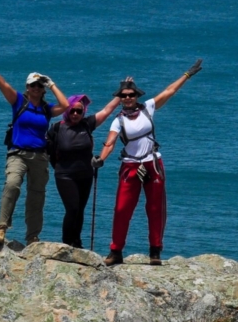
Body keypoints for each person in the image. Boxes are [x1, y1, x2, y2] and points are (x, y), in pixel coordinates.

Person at [98, 60, 202, 266]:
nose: (128, 98)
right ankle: (116, 251)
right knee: (122, 209)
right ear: (119, 99)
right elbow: (110, 142)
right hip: (130, 167)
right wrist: (100, 159)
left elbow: (169, 90)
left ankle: (155, 251)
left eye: (131, 95)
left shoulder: (148, 108)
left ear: (137, 96)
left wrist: (187, 75)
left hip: (152, 165)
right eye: (124, 96)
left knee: (155, 209)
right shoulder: (118, 120)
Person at [0, 60, 70, 249]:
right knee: (12, 184)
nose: (36, 88)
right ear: (27, 87)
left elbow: (65, 105)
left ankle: (32, 237)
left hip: (39, 157)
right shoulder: (18, 101)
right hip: (18, 153)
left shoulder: (46, 109)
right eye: (32, 85)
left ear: (42, 89)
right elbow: (4, 85)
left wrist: (51, 84)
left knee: (36, 197)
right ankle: (1, 227)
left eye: (39, 85)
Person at [45, 92, 121, 248]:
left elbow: (107, 111)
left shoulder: (87, 124)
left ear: (83, 112)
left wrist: (121, 95)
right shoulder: (57, 128)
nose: (75, 114)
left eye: (79, 111)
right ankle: (66, 244)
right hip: (64, 175)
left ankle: (76, 242)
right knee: (72, 208)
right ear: (67, 111)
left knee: (80, 210)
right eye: (72, 110)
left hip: (86, 175)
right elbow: (48, 152)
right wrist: (57, 167)